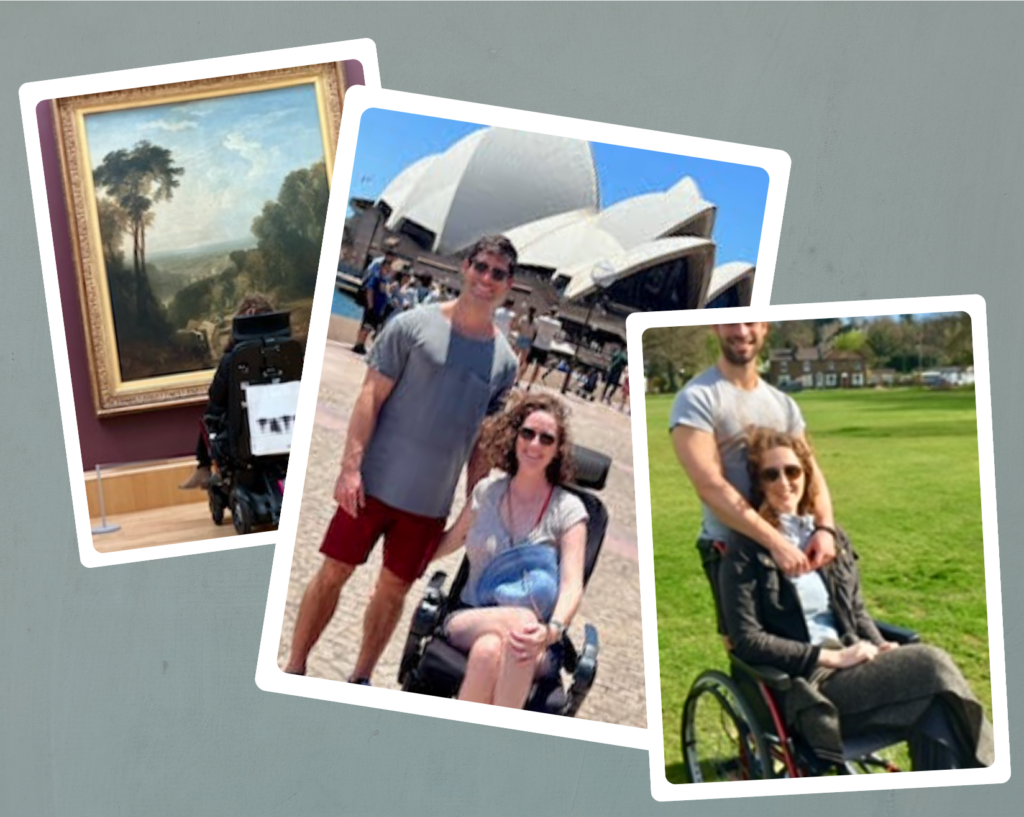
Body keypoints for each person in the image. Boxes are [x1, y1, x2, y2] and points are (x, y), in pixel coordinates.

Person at [284, 235, 521, 683]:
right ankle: (295, 665)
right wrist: (350, 469)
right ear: (465, 267)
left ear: (509, 284)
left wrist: (474, 507)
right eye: (482, 267)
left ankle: (361, 677)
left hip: (428, 507)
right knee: (333, 571)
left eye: (498, 273)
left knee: (393, 591)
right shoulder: (412, 325)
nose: (487, 279)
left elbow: (483, 444)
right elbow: (370, 396)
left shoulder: (505, 362)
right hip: (370, 486)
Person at [720, 428, 994, 770]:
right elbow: (748, 640)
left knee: (935, 710)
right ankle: (996, 769)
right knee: (931, 661)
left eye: (792, 471)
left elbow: (856, 611)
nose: (784, 482)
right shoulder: (746, 550)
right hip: (809, 684)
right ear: (758, 483)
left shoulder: (829, 539)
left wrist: (880, 645)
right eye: (770, 474)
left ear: (806, 475)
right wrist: (832, 659)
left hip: (858, 665)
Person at [670, 323, 837, 638]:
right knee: (753, 650)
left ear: (765, 328)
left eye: (751, 323)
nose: (742, 331)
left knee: (817, 633)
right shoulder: (697, 398)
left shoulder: (783, 404)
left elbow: (811, 474)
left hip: (795, 541)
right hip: (733, 549)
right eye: (732, 322)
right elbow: (710, 485)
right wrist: (776, 543)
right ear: (716, 327)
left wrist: (825, 529)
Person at [431, 393, 588, 708]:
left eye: (547, 438)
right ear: (513, 435)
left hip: (539, 638)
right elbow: (450, 540)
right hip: (470, 616)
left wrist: (552, 630)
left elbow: (572, 584)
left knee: (492, 649)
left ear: (558, 450)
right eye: (527, 433)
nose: (534, 444)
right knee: (519, 625)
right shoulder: (486, 493)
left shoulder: (568, 510)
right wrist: (398, 574)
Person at [179, 294, 277, 490]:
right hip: (282, 421)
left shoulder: (232, 358)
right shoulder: (286, 350)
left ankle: (205, 466)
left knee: (210, 415)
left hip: (243, 433)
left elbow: (216, 396)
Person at [351, 250, 397, 355]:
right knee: (366, 325)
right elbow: (369, 290)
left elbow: (385, 293)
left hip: (378, 306)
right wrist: (370, 304)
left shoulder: (386, 280)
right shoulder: (376, 277)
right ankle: (358, 344)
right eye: (386, 268)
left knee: (369, 326)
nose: (388, 270)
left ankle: (361, 344)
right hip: (373, 305)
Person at [524, 308, 562, 391]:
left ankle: (518, 379)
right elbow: (557, 335)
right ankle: (530, 384)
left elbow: (536, 329)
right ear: (556, 314)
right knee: (537, 367)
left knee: (527, 363)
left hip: (536, 343)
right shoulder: (558, 324)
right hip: (545, 347)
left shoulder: (541, 319)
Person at [514, 306, 538, 376]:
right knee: (523, 360)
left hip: (521, 337)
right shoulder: (536, 322)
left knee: (515, 357)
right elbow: (535, 333)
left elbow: (518, 327)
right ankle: (517, 377)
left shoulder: (523, 318)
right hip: (528, 340)